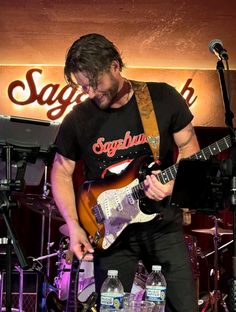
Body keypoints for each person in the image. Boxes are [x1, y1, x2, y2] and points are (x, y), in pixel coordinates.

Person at [51, 33, 200, 311]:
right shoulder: (78, 118)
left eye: (95, 84)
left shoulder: (161, 98)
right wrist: (73, 226)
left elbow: (190, 148)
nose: (92, 93)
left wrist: (172, 185)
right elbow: (61, 170)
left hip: (162, 227)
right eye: (84, 88)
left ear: (115, 66)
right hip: (109, 232)